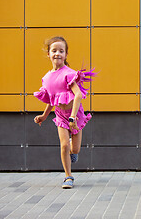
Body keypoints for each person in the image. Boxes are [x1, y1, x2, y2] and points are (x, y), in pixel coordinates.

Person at [33, 36, 95, 189]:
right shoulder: (47, 78)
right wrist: (43, 116)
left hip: (75, 114)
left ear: (66, 54)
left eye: (61, 51)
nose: (57, 54)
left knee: (75, 149)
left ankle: (73, 154)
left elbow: (78, 95)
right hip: (60, 115)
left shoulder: (68, 73)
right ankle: (68, 176)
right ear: (48, 54)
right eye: (54, 51)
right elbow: (50, 100)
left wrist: (73, 117)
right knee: (64, 145)